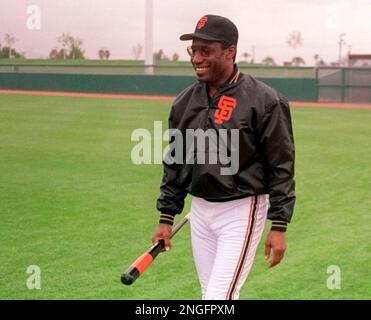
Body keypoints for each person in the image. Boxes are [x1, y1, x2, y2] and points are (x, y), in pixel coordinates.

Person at [152, 14, 296, 300]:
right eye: (194, 50)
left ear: (230, 52)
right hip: (201, 211)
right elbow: (176, 162)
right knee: (213, 293)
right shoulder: (184, 101)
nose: (196, 58)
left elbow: (281, 165)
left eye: (206, 51)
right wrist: (166, 217)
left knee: (218, 297)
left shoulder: (265, 100)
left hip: (241, 210)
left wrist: (279, 225)